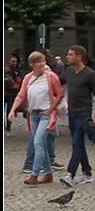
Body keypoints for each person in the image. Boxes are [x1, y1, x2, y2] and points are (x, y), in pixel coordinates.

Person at [8, 51, 64, 185]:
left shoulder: (51, 77)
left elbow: (60, 93)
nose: (42, 64)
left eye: (43, 61)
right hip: (33, 114)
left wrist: (51, 108)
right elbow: (21, 95)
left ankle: (34, 174)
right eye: (39, 62)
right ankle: (48, 173)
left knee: (38, 142)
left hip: (46, 114)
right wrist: (12, 110)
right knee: (41, 144)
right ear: (32, 64)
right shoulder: (28, 78)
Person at [61, 45, 95, 186]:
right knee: (78, 144)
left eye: (70, 54)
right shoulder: (69, 71)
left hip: (84, 113)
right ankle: (87, 172)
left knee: (76, 142)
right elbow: (58, 82)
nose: (67, 57)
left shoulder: (89, 74)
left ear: (79, 57)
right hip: (72, 113)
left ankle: (69, 174)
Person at [5, 55, 22, 132]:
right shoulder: (6, 68)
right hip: (5, 91)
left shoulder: (18, 70)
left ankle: (8, 127)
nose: (14, 62)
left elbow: (19, 79)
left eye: (15, 61)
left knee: (9, 110)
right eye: (12, 61)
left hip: (12, 92)